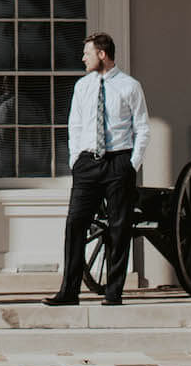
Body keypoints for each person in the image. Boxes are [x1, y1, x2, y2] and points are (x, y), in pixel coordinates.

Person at [43, 31, 149, 307]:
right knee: (75, 224)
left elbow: (142, 128)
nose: (83, 58)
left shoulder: (130, 86)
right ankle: (69, 292)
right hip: (87, 163)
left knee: (119, 228)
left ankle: (113, 293)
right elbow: (75, 125)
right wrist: (75, 160)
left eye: (87, 53)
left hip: (118, 162)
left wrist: (131, 164)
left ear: (102, 54)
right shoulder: (82, 87)